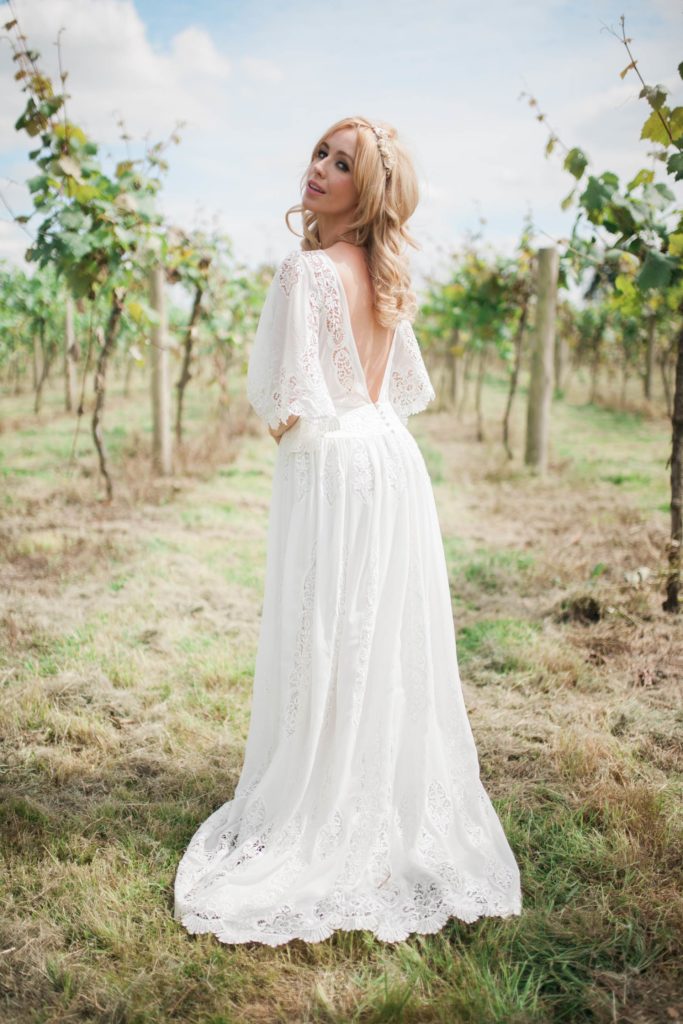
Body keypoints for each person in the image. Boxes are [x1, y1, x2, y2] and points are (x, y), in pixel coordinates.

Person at [173, 116, 523, 946]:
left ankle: (325, 798)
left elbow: (285, 400)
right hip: (389, 462)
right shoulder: (385, 273)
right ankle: (376, 792)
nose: (318, 169)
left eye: (341, 163)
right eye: (319, 153)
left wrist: (296, 432)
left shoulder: (305, 274)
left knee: (325, 630)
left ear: (366, 190)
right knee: (377, 632)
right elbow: (389, 390)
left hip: (330, 467)